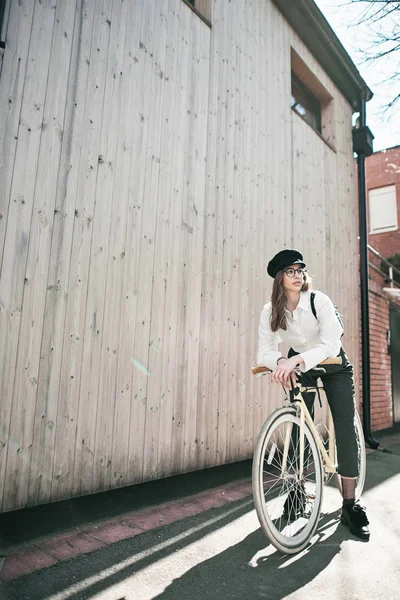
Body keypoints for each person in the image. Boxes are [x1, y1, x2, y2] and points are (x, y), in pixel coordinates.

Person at [257, 249, 370, 541]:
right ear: (279, 278)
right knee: (298, 424)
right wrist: (280, 363)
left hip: (333, 364)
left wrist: (295, 360)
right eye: (290, 271)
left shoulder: (318, 300)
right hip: (300, 364)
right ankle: (296, 492)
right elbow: (265, 352)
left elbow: (332, 344)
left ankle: (350, 503)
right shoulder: (271, 310)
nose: (298, 276)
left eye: (300, 270)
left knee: (344, 425)